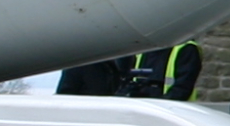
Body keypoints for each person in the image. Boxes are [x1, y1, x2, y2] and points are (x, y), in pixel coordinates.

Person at [56, 43, 203, 101]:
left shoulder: (185, 49)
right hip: (143, 111)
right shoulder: (143, 50)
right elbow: (132, 80)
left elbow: (182, 88)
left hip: (170, 114)